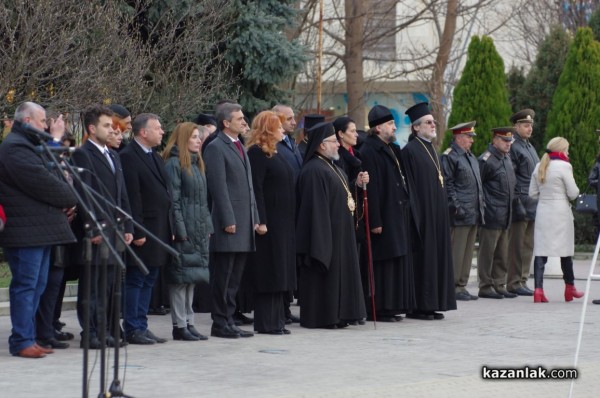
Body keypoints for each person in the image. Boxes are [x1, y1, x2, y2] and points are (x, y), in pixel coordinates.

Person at [0, 101, 77, 358]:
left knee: (38, 285)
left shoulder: (32, 146)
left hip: (39, 228)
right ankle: (22, 340)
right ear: (26, 121)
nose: (45, 126)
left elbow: (59, 174)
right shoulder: (14, 148)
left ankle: (29, 337)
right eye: (42, 121)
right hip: (25, 230)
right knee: (26, 285)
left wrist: (67, 189)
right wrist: (70, 196)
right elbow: (45, 183)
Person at [70, 104, 134, 349]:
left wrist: (128, 225)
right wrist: (92, 228)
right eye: (106, 126)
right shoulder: (83, 154)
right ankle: (91, 331)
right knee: (93, 286)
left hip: (115, 230)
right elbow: (83, 194)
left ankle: (106, 329)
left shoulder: (114, 155)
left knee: (109, 285)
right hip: (96, 231)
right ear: (91, 128)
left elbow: (122, 195)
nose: (111, 130)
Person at [296, 121, 366, 328]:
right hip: (325, 236)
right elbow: (314, 210)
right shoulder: (313, 170)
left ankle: (340, 315)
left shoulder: (332, 167)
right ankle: (325, 317)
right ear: (320, 145)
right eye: (333, 141)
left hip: (340, 233)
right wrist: (322, 241)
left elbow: (342, 196)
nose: (337, 144)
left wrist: (357, 186)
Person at [204, 102, 259, 339]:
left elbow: (248, 186)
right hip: (229, 223)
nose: (244, 122)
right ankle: (220, 322)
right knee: (224, 275)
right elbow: (218, 187)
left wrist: (254, 217)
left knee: (235, 277)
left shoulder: (239, 145)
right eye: (239, 119)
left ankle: (229, 318)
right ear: (226, 123)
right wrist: (227, 219)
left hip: (244, 223)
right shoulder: (216, 147)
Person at [120, 113, 172, 345]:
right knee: (137, 279)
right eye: (158, 128)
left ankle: (142, 324)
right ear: (143, 132)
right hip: (143, 228)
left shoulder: (155, 157)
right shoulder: (129, 157)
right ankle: (132, 327)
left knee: (150, 278)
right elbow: (132, 196)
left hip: (159, 226)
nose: (162, 132)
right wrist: (137, 230)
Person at [401, 102, 456, 320]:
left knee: (436, 260)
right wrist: (418, 216)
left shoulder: (432, 148)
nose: (434, 125)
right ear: (416, 127)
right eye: (428, 122)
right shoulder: (410, 151)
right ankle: (419, 306)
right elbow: (411, 188)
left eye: (433, 122)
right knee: (423, 261)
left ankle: (434, 303)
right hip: (422, 217)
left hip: (437, 215)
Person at [359, 107, 414, 321]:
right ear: (379, 127)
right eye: (391, 124)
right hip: (383, 217)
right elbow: (371, 190)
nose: (394, 127)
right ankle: (380, 308)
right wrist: (375, 220)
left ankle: (393, 306)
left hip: (397, 213)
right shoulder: (369, 151)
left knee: (396, 262)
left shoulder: (392, 148)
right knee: (383, 265)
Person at [244, 111, 297, 335]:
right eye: (278, 126)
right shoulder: (256, 153)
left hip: (282, 222)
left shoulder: (274, 153)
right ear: (267, 129)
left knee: (280, 271)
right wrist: (261, 220)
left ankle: (277, 319)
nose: (283, 130)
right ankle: (266, 322)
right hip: (268, 223)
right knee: (269, 271)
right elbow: (256, 188)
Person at [162, 122, 213, 341]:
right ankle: (179, 324)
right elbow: (173, 201)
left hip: (199, 229)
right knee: (180, 278)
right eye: (193, 137)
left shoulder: (196, 164)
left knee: (192, 277)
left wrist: (207, 226)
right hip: (184, 230)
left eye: (199, 137)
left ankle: (189, 322)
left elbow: (202, 202)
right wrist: (180, 230)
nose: (198, 140)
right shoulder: (174, 164)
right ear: (183, 139)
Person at [529, 137, 583, 303]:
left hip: (543, 212)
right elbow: (573, 193)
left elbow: (532, 193)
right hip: (560, 213)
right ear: (561, 150)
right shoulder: (565, 166)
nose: (568, 152)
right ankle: (569, 288)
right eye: (567, 149)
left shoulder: (540, 165)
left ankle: (538, 290)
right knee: (565, 251)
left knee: (541, 251)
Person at [440, 121, 484, 301]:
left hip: (472, 211)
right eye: (468, 137)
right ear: (458, 137)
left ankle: (462, 285)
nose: (471, 140)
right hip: (459, 213)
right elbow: (448, 185)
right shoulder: (450, 156)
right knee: (457, 251)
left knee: (467, 252)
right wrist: (456, 207)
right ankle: (453, 286)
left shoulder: (469, 157)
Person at [477, 127, 518, 299]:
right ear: (495, 140)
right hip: (491, 213)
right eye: (504, 140)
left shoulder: (506, 159)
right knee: (488, 252)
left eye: (510, 141)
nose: (508, 144)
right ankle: (485, 286)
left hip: (505, 212)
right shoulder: (486, 160)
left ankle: (499, 284)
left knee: (502, 252)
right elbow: (479, 187)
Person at [272, 104, 302, 325]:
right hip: (280, 211)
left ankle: (285, 304)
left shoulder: (291, 143)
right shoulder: (273, 146)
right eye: (289, 118)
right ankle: (279, 307)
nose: (294, 122)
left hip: (294, 209)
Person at [507, 109, 539, 296]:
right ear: (516, 126)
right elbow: (511, 177)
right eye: (525, 125)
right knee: (516, 245)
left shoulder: (529, 146)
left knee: (528, 245)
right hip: (520, 200)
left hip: (532, 202)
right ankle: (513, 281)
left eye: (530, 125)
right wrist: (515, 200)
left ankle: (523, 280)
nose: (529, 128)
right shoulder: (514, 147)